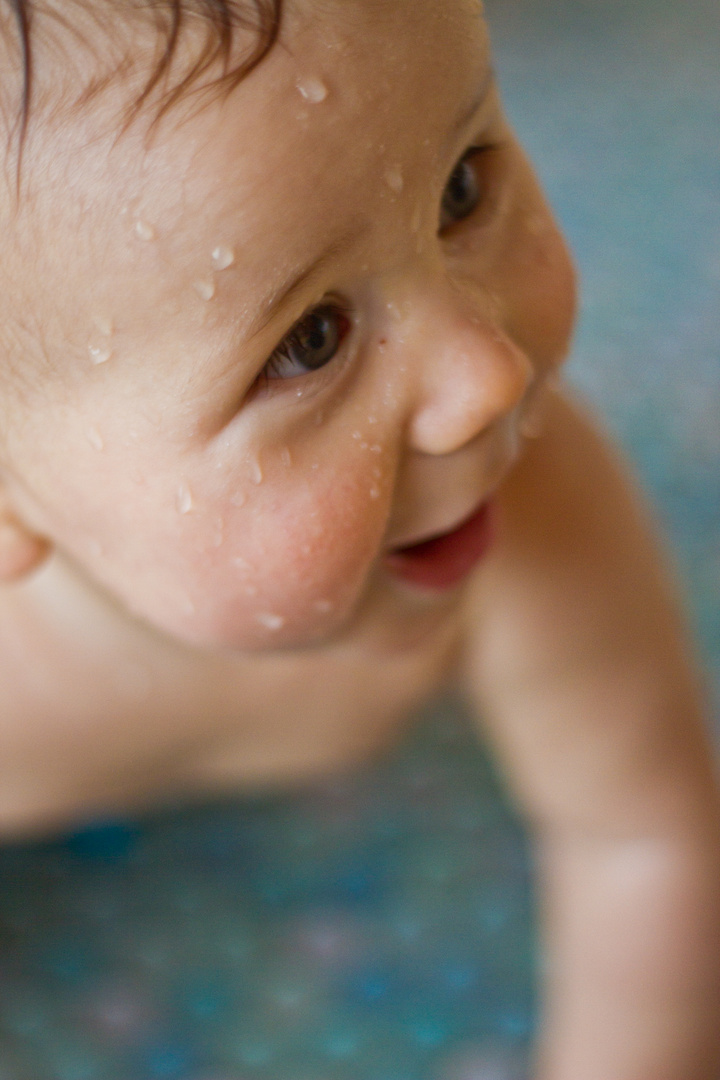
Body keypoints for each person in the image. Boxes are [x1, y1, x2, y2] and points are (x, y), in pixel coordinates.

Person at [0, 0, 718, 1076]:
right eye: (309, 341)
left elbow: (645, 841)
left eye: (462, 189)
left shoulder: (535, 513)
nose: (491, 379)